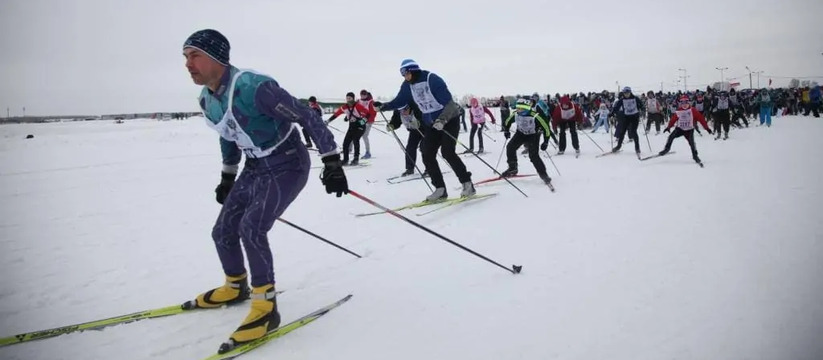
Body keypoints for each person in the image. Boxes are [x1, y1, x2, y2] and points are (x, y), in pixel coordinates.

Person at [181, 29, 348, 353]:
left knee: (251, 228)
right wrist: (228, 177)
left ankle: (266, 309)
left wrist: (332, 162)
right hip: (254, 167)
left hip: (287, 163)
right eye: (185, 57)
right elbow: (227, 134)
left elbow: (306, 115)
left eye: (195, 55)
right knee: (222, 231)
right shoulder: (206, 99)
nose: (188, 64)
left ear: (217, 58)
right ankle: (235, 286)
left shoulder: (253, 87)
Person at [375, 59, 475, 201]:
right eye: (403, 75)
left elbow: (450, 104)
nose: (405, 77)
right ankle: (440, 189)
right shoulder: (407, 85)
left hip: (449, 120)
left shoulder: (432, 79)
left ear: (413, 71)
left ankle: (467, 184)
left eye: (406, 74)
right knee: (427, 153)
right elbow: (400, 102)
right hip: (431, 124)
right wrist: (384, 106)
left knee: (447, 152)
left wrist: (442, 120)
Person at [500, 99, 552, 185]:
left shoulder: (536, 116)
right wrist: (506, 130)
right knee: (510, 147)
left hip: (533, 135)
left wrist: (546, 141)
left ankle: (544, 175)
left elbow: (546, 128)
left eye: (521, 108)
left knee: (533, 156)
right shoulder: (516, 114)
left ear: (527, 108)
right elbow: (507, 122)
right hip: (520, 133)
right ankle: (513, 168)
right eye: (518, 108)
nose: (519, 110)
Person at [659, 95, 713, 165]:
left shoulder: (693, 110)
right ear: (680, 104)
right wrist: (669, 127)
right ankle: (666, 149)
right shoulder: (679, 111)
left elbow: (701, 119)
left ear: (688, 102)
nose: (684, 105)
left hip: (689, 130)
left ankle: (695, 156)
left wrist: (707, 128)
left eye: (686, 102)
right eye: (682, 103)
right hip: (680, 129)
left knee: (692, 143)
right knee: (671, 137)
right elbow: (673, 119)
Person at [327, 92, 371, 165]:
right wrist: (328, 120)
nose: (348, 100)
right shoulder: (345, 107)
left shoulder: (358, 106)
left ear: (353, 98)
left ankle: (356, 159)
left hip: (360, 126)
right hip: (352, 126)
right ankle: (345, 160)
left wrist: (363, 121)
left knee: (355, 140)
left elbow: (368, 113)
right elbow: (336, 114)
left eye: (350, 98)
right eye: (347, 98)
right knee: (345, 143)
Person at [387, 102, 428, 176]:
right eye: (401, 111)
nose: (403, 112)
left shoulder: (417, 109)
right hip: (414, 131)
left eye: (405, 110)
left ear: (409, 107)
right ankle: (410, 169)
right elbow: (396, 121)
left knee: (424, 148)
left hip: (426, 130)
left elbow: (427, 119)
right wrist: (392, 125)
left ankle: (429, 169)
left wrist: (419, 123)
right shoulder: (398, 111)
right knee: (410, 148)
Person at [611, 86, 645, 156]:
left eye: (627, 93)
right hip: (626, 117)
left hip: (635, 117)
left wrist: (642, 110)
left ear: (630, 92)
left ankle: (637, 148)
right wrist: (611, 113)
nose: (626, 94)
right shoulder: (622, 99)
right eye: (625, 93)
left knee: (633, 132)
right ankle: (618, 146)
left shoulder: (635, 98)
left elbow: (642, 105)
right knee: (622, 132)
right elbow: (616, 107)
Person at [358, 90, 377, 159]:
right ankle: (349, 149)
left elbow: (373, 113)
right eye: (361, 95)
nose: (362, 96)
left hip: (369, 121)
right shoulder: (359, 101)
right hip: (361, 120)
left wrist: (366, 120)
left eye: (364, 95)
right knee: (353, 133)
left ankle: (368, 152)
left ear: (367, 95)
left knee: (364, 136)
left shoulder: (371, 102)